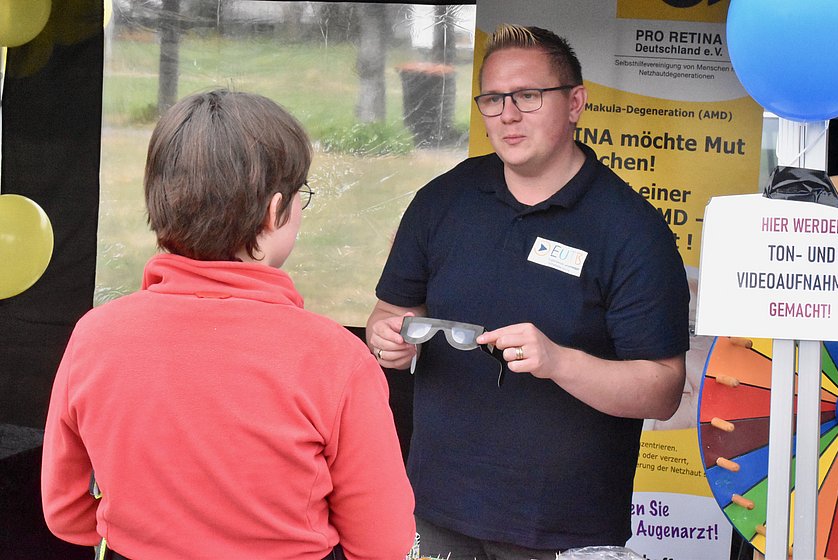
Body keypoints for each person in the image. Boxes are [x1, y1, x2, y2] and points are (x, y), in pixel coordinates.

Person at [42, 89, 415, 560]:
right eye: (302, 195)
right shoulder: (334, 357)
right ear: (273, 210)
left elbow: (65, 512)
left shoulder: (93, 335)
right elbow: (383, 543)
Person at [366, 24, 689, 559]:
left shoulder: (631, 229)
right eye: (493, 99)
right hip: (437, 508)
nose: (507, 115)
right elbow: (390, 314)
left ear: (576, 103)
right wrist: (390, 341)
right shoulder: (443, 200)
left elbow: (661, 389)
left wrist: (559, 362)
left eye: (528, 96)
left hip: (565, 526)